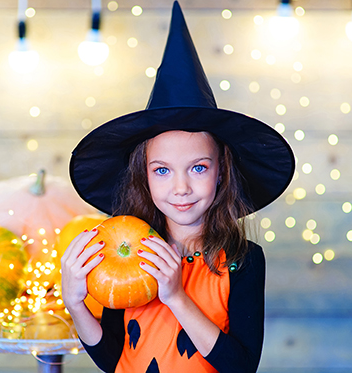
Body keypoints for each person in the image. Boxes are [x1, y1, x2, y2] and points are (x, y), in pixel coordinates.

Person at [62, 2, 295, 372]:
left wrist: (174, 295)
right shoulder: (126, 254)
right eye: (162, 171)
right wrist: (75, 303)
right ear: (144, 176)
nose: (181, 187)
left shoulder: (242, 260)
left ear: (221, 171)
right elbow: (113, 360)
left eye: (198, 167)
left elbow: (241, 366)